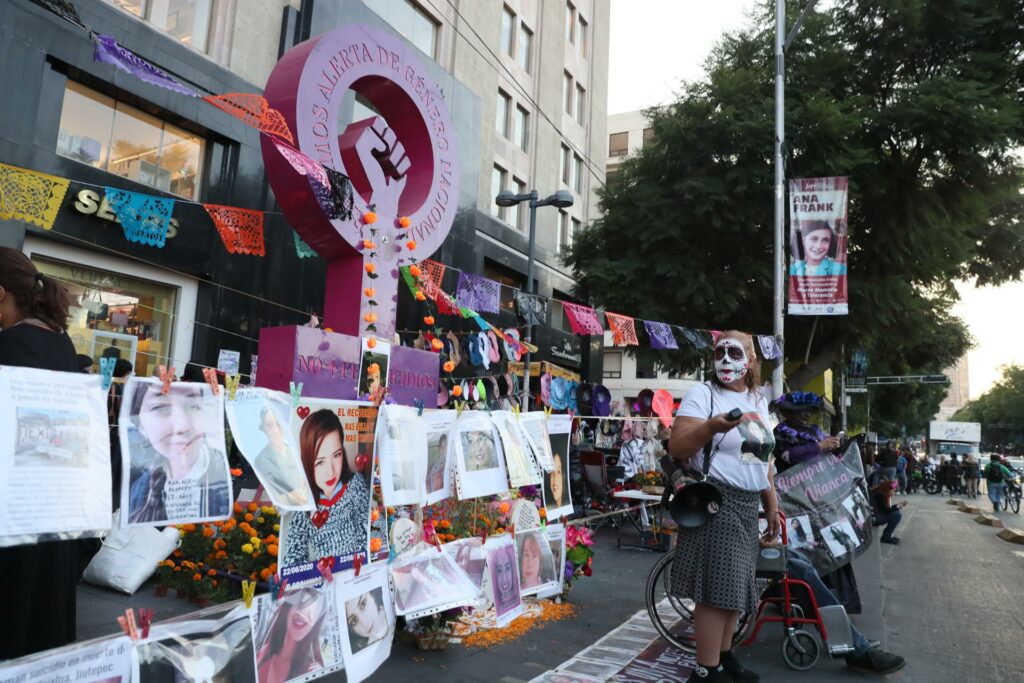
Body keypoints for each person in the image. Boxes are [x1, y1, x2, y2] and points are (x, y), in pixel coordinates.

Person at [668, 331, 779, 683]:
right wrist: (711, 426)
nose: (726, 359)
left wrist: (770, 503)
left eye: (734, 352)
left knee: (733, 588)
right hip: (717, 500)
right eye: (720, 352)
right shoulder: (704, 394)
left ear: (750, 361)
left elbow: (761, 459)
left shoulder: (758, 400)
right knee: (716, 591)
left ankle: (723, 657)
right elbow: (678, 447)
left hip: (748, 505)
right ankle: (706, 669)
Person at [0, 247, 81, 659]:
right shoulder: (63, 345)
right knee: (41, 635)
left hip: (12, 517)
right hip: (56, 515)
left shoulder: (10, 346)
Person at [761, 539, 906, 674]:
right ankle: (855, 645)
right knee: (804, 571)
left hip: (754, 542)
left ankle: (843, 633)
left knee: (804, 559)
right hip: (750, 548)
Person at [127, 382, 231, 524]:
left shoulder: (228, 483)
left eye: (193, 406)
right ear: (141, 426)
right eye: (159, 407)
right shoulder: (140, 490)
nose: (182, 426)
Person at [282, 409, 370, 567]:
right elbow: (293, 555)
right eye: (320, 462)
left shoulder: (355, 485)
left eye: (336, 455)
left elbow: (369, 532)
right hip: (324, 582)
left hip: (357, 576)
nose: (330, 471)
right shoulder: (304, 502)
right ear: (308, 463)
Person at [255, 588, 327, 683]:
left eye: (313, 607)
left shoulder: (312, 672)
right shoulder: (264, 652)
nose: (302, 612)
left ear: (315, 624)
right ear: (288, 608)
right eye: (300, 601)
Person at [252, 405, 310, 506]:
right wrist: (294, 496)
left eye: (278, 424)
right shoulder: (261, 460)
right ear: (263, 428)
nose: (275, 430)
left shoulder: (295, 452)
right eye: (269, 425)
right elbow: (274, 493)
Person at [770, 391, 839, 474]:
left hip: (819, 481)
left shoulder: (813, 430)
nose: (808, 415)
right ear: (789, 412)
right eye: (803, 410)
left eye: (810, 411)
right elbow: (789, 456)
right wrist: (819, 446)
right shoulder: (780, 431)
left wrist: (831, 444)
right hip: (793, 483)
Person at [870, 477, 906, 545]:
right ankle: (886, 537)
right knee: (897, 515)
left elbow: (884, 509)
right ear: (888, 489)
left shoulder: (878, 491)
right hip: (875, 518)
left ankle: (888, 535)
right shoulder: (880, 495)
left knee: (896, 513)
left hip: (874, 515)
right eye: (893, 490)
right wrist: (897, 506)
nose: (893, 492)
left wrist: (896, 506)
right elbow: (886, 511)